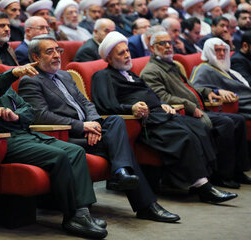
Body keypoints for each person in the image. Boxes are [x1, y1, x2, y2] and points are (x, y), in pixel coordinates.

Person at [0, 38, 108, 239]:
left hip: (24, 134)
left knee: (76, 151)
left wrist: (16, 115)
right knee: (59, 155)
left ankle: (83, 212)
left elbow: (28, 110)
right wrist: (11, 73)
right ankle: (72, 217)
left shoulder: (1, 83)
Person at [18, 34, 181, 223]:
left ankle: (123, 174)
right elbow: (41, 116)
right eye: (50, 51)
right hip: (64, 137)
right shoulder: (30, 81)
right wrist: (82, 127)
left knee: (115, 121)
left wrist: (94, 123)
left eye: (58, 50)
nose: (56, 55)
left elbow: (86, 104)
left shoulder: (64, 75)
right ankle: (144, 202)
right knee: (121, 148)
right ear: (35, 57)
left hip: (89, 131)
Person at [91, 31, 238, 204]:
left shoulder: (130, 74)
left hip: (161, 113)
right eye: (121, 53)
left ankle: (207, 179)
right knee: (184, 136)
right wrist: (131, 108)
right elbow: (104, 105)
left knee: (199, 127)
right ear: (108, 59)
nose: (127, 56)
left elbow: (150, 94)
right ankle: (203, 187)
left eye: (128, 51)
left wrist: (162, 103)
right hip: (145, 122)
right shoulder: (102, 76)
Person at [141, 31, 250, 188]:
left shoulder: (172, 65)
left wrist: (208, 92)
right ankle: (222, 175)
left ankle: (237, 171)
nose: (167, 46)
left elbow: (190, 88)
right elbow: (162, 98)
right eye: (162, 44)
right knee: (226, 123)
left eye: (169, 43)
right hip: (185, 114)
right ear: (152, 48)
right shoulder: (151, 71)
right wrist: (190, 107)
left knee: (238, 120)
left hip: (200, 107)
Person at [192, 38, 251, 124]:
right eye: (218, 50)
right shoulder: (203, 69)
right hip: (237, 104)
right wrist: (217, 91)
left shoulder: (225, 69)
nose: (222, 54)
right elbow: (194, 89)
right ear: (209, 51)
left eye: (224, 50)